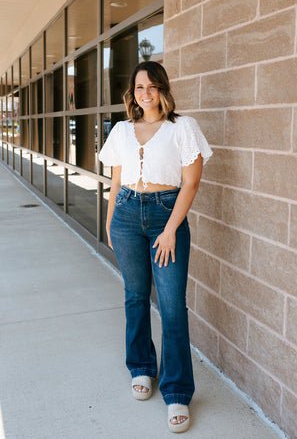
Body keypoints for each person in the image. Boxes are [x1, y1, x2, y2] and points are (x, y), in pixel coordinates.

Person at [99, 61, 213, 433]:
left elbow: (190, 184)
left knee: (171, 305)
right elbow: (116, 182)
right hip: (128, 215)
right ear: (131, 93)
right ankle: (142, 368)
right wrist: (109, 219)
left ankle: (177, 391)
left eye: (151, 86)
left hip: (168, 217)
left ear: (163, 88)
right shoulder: (121, 130)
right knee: (134, 296)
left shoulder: (184, 128)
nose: (144, 93)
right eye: (138, 87)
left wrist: (170, 230)